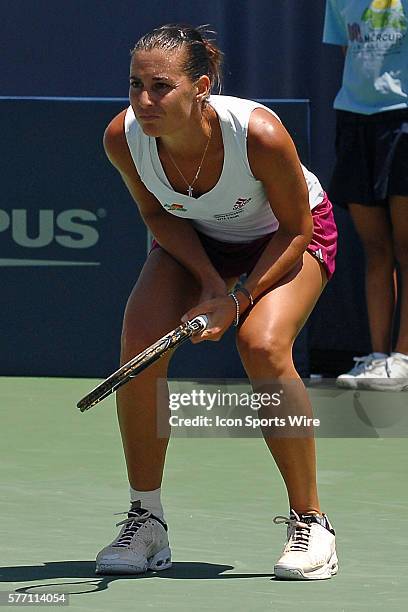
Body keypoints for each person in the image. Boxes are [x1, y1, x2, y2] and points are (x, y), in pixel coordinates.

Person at [95, 24, 338, 580]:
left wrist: (239, 298)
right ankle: (145, 520)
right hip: (195, 240)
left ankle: (312, 522)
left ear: (201, 86)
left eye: (161, 87)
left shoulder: (258, 134)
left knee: (263, 345)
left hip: (286, 236)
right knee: (140, 348)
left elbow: (297, 228)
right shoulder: (122, 137)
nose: (144, 101)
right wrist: (209, 283)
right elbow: (156, 216)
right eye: (135, 85)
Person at [324, 0, 408, 391]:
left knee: (407, 247)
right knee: (375, 248)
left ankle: (403, 359)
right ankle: (377, 358)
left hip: (403, 119)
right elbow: (348, 52)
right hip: (354, 121)